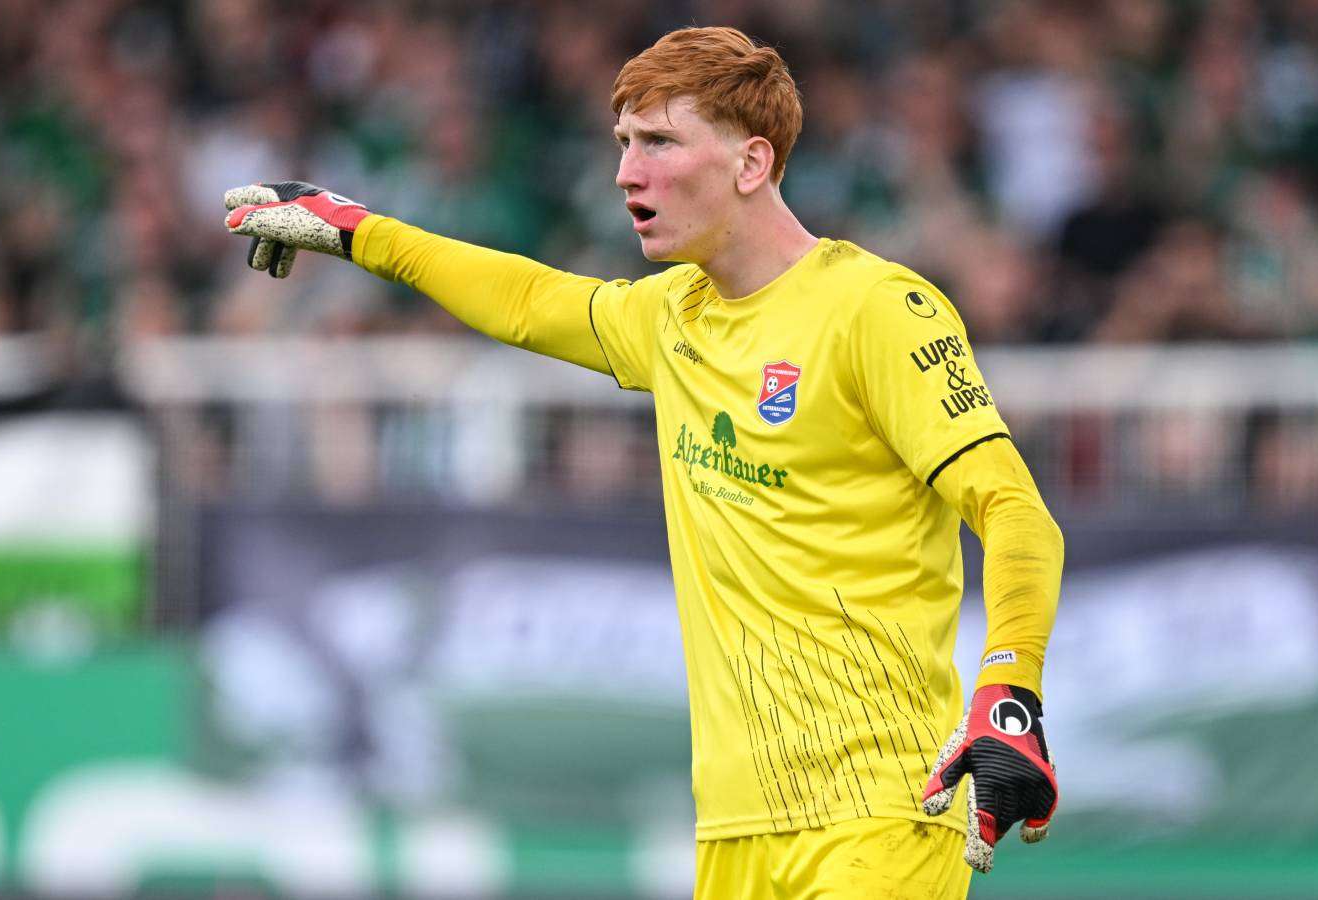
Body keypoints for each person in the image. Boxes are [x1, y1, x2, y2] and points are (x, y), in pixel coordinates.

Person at [223, 26, 1061, 900]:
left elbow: (1014, 512)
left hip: (878, 814)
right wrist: (359, 231)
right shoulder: (673, 319)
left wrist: (1009, 696)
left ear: (750, 163)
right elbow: (529, 300)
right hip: (736, 833)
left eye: (660, 141)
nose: (627, 172)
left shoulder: (878, 310)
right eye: (624, 143)